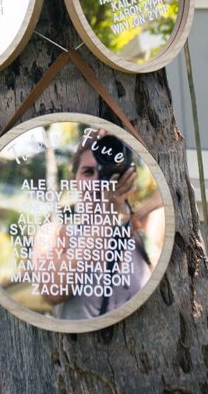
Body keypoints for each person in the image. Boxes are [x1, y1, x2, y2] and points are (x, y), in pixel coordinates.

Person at [31, 127, 159, 319]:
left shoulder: (141, 230)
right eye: (89, 172)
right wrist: (107, 216)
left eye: (106, 172)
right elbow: (53, 291)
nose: (98, 182)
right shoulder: (56, 233)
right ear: (75, 180)